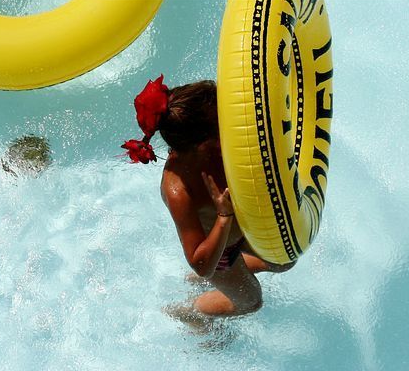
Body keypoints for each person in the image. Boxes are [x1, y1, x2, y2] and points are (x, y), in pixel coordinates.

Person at [122, 76, 292, 321]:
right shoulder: (178, 190)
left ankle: (232, 268)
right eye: (221, 124)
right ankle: (190, 311)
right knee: (251, 301)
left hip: (247, 226)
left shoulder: (221, 145)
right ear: (202, 142)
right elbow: (200, 264)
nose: (229, 126)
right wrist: (224, 216)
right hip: (218, 252)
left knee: (285, 261)